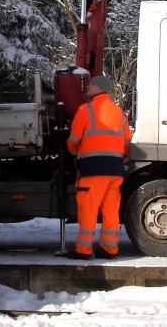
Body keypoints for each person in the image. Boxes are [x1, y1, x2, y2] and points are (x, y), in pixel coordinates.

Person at [66, 75, 132, 260]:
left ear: (101, 88)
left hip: (93, 169)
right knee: (111, 210)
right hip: (115, 169)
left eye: (92, 84)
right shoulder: (120, 113)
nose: (88, 86)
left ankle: (83, 250)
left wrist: (74, 149)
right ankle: (109, 249)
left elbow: (73, 142)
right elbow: (126, 144)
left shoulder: (86, 110)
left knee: (88, 208)